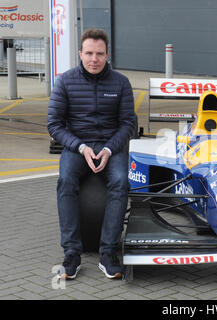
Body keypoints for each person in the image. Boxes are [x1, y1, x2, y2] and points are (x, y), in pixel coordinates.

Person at [48, 29, 136, 279]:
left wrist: (109, 149)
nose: (94, 59)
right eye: (89, 53)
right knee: (65, 181)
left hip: (111, 146)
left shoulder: (121, 82)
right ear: (80, 53)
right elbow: (54, 124)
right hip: (78, 147)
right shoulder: (65, 81)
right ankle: (72, 253)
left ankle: (108, 253)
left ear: (107, 55)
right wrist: (81, 147)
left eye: (99, 54)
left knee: (120, 182)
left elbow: (128, 123)